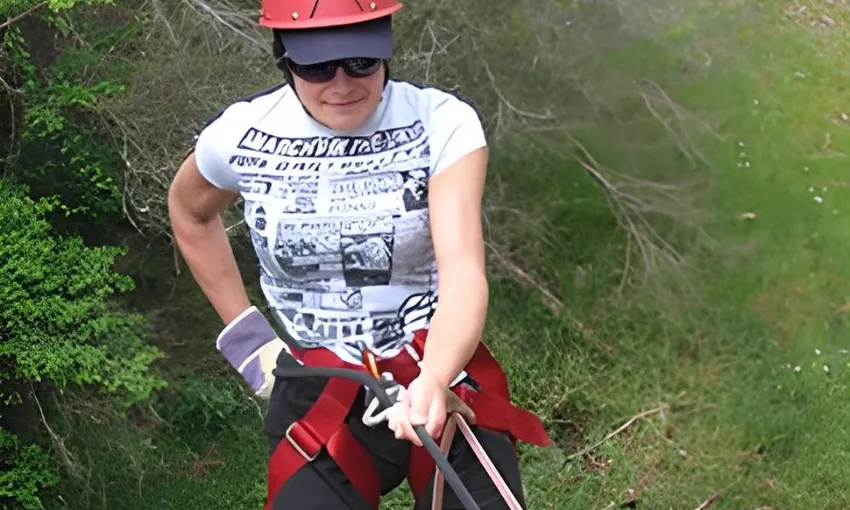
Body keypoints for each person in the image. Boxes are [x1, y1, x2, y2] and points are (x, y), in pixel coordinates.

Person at [167, 0, 550, 508]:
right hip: (319, 388)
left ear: (385, 50)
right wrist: (248, 343)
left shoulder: (441, 124)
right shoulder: (241, 136)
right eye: (318, 67)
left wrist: (434, 378)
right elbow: (190, 212)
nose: (342, 85)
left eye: (361, 63)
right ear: (284, 59)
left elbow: (463, 274)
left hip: (436, 371)